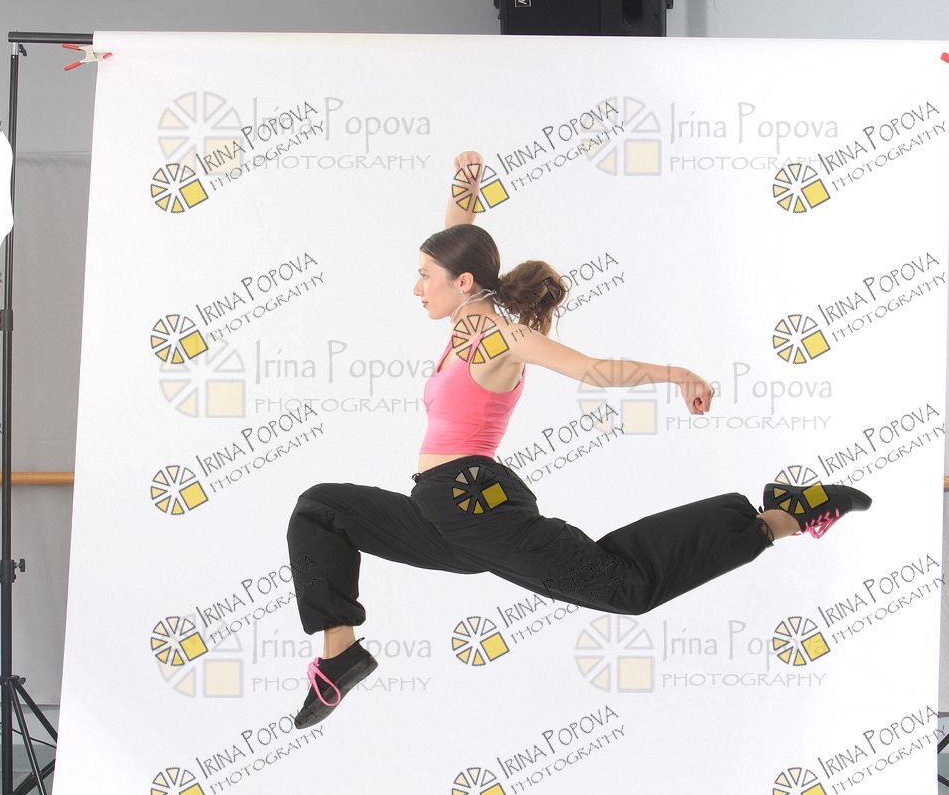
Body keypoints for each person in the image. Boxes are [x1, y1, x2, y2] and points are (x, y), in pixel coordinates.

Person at [286, 150, 871, 728]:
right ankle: (341, 655)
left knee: (626, 587)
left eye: (424, 276)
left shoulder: (501, 339)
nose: (417, 287)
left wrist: (677, 375)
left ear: (462, 283)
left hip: (473, 504)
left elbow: (594, 370)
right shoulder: (463, 321)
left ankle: (783, 516)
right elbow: (457, 236)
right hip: (440, 509)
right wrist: (465, 181)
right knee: (321, 510)